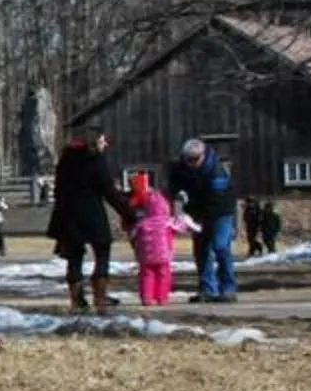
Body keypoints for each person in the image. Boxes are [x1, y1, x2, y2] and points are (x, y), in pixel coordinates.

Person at [50, 131, 127, 311]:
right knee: (102, 251)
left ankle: (77, 299)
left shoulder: (66, 159)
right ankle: (100, 296)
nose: (105, 144)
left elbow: (58, 189)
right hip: (91, 213)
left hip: (67, 213)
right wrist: (128, 212)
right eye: (102, 140)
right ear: (93, 142)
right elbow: (108, 190)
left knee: (74, 257)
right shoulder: (95, 160)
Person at [171, 138, 239, 303]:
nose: (191, 163)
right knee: (201, 249)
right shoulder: (180, 168)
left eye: (195, 159)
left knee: (220, 246)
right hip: (198, 212)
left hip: (222, 211)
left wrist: (202, 220)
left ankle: (228, 288)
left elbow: (217, 199)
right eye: (188, 159)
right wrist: (179, 199)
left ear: (203, 155)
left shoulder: (216, 170)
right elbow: (175, 186)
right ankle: (207, 289)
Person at [128, 177, 175, 306]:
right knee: (163, 275)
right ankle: (162, 297)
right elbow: (179, 227)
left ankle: (147, 297)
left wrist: (134, 243)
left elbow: (133, 234)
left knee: (146, 276)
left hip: (146, 255)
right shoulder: (167, 223)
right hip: (163, 255)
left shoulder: (142, 223)